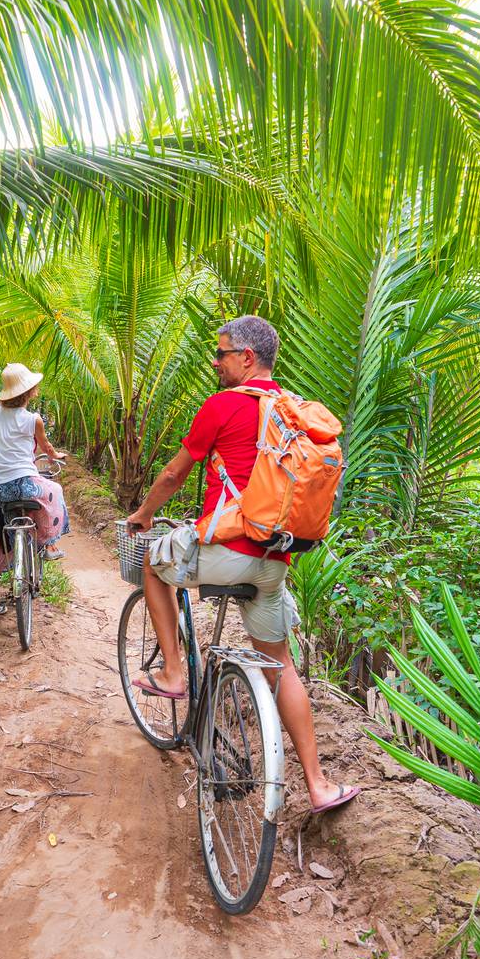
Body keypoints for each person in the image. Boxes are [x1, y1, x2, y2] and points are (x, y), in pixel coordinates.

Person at [123, 315, 359, 815]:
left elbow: (172, 474)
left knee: (151, 562)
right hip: (275, 561)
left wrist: (144, 515)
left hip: (228, 553)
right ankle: (318, 785)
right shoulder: (293, 412)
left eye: (223, 353)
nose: (216, 361)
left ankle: (171, 672)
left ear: (247, 358)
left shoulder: (223, 405)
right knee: (281, 665)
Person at [0, 362, 69, 616]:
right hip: (26, 484)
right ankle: (49, 545)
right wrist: (55, 456)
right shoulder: (33, 420)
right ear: (29, 391)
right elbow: (47, 448)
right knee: (54, 491)